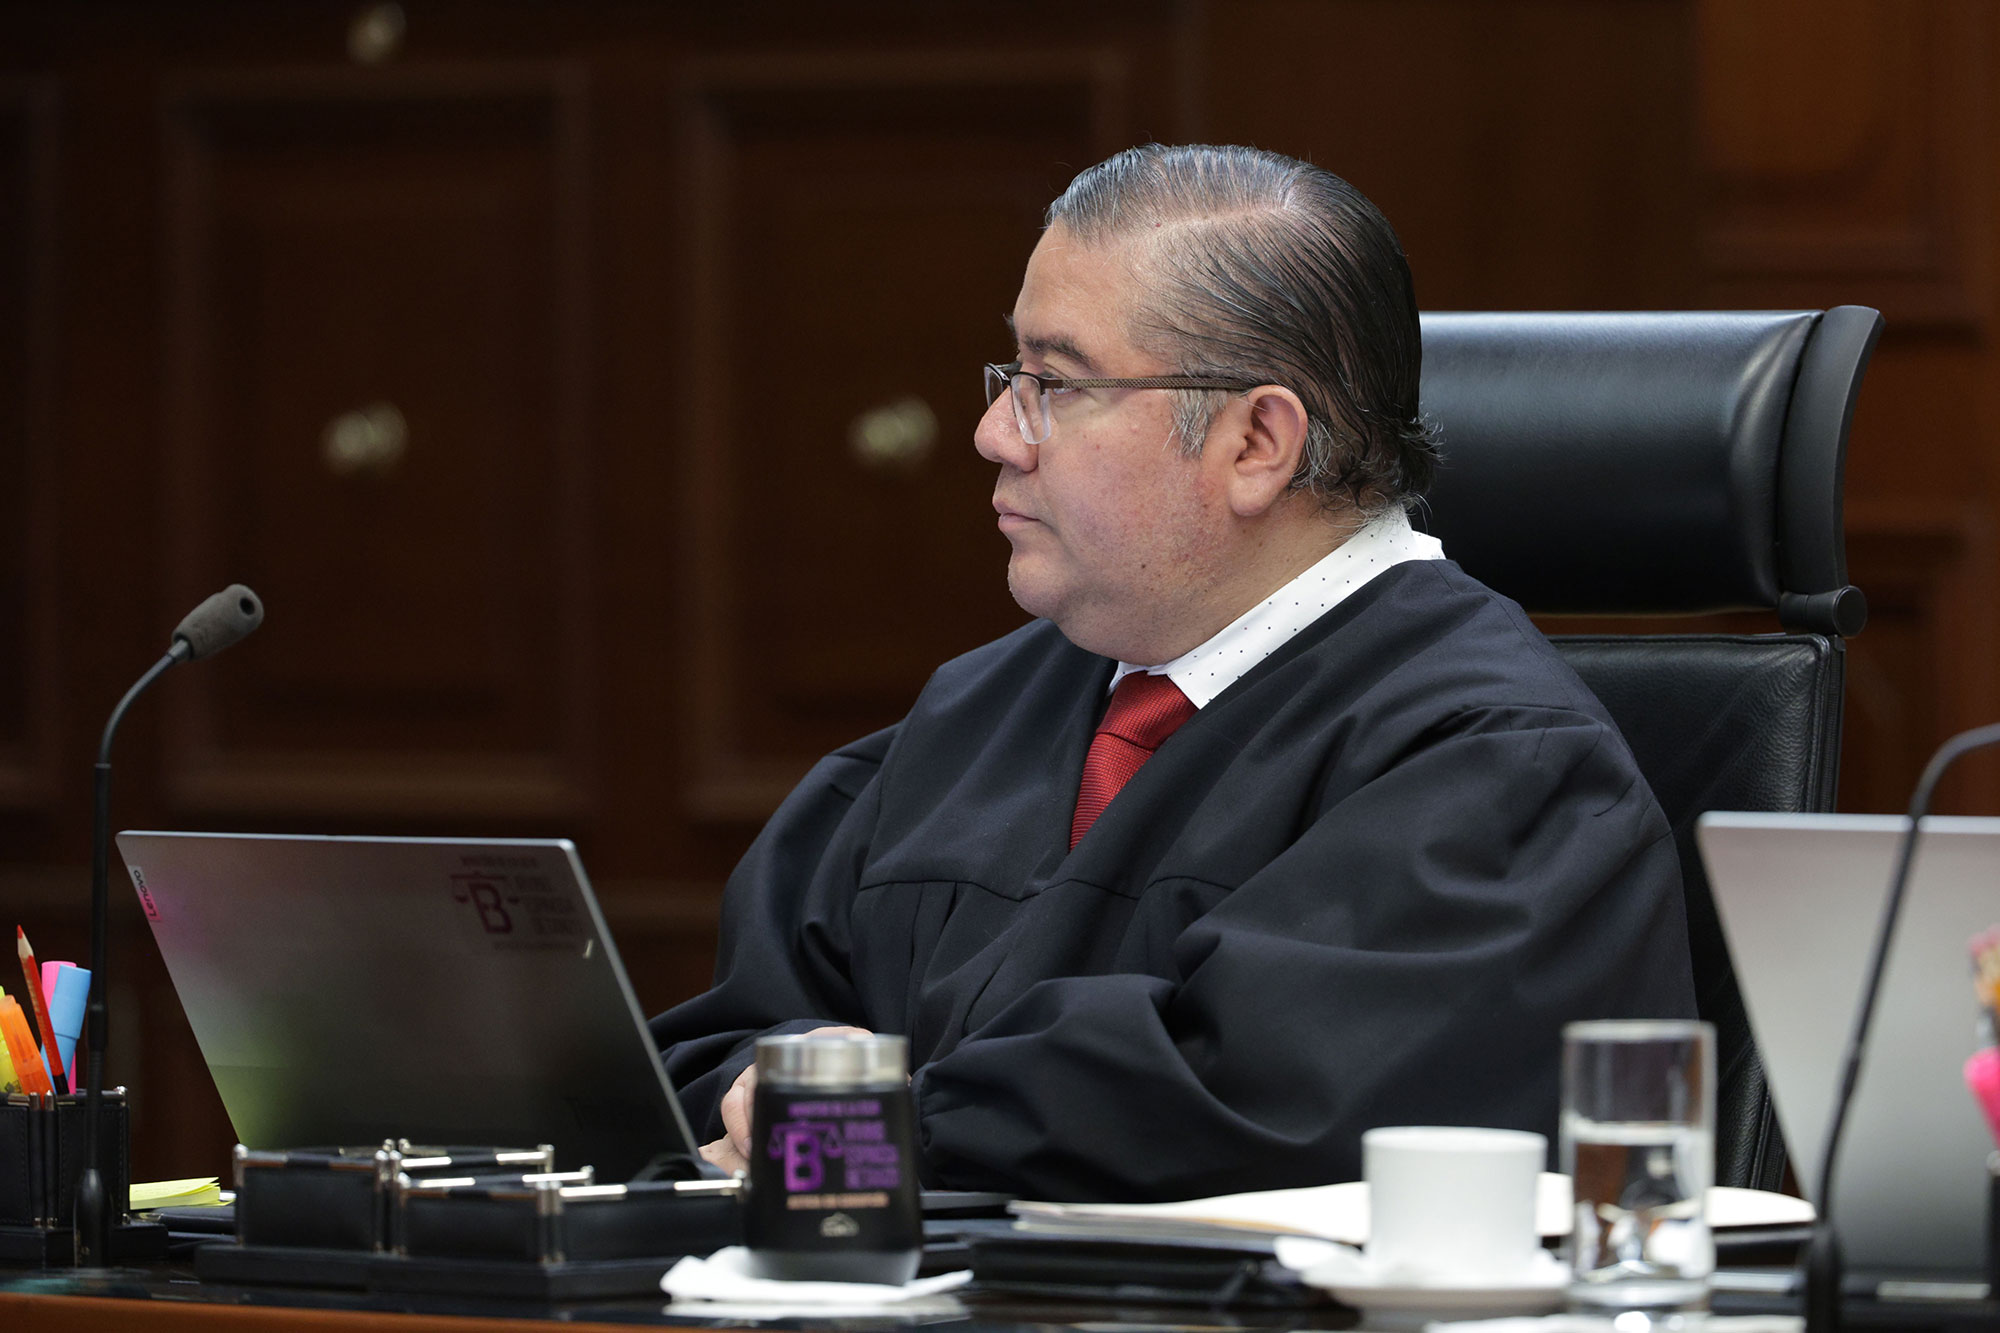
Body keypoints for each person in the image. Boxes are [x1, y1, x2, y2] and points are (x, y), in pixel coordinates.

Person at [651, 143, 1694, 1202]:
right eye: (1011, 377)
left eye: (1055, 383)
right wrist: (768, 1085)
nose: (993, 433)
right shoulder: (974, 713)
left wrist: (861, 1121)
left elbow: (1243, 1108)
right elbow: (715, 1043)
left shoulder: (1495, 766)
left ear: (1255, 442)